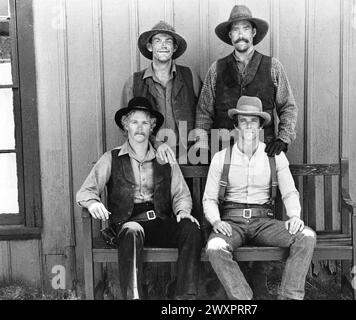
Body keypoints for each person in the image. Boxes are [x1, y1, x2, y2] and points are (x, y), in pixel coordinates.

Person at [76, 97, 202, 300]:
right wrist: (92, 203)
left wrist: (183, 212)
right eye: (134, 122)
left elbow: (181, 194)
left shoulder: (165, 158)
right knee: (132, 230)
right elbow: (85, 191)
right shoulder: (111, 158)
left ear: (152, 126)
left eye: (145, 122)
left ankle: (183, 297)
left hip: (160, 222)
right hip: (129, 225)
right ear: (126, 125)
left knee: (191, 229)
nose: (139, 128)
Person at [203, 96, 316, 300]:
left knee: (306, 236)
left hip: (263, 222)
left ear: (260, 125)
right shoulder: (221, 158)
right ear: (236, 125)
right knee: (214, 247)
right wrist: (216, 221)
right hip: (232, 222)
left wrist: (294, 216)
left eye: (253, 121)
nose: (248, 125)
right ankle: (244, 300)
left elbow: (289, 191)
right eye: (243, 120)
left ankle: (289, 296)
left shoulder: (274, 156)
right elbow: (209, 199)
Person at [195, 5, 297, 158]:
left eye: (246, 28)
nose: (240, 34)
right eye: (236, 29)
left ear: (253, 32)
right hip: (224, 152)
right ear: (230, 35)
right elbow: (204, 112)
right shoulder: (216, 69)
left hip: (263, 151)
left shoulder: (273, 66)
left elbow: (288, 107)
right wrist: (202, 146)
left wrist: (283, 139)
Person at [121, 21, 202, 164]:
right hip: (148, 156)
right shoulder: (134, 82)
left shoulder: (191, 76)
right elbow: (125, 124)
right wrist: (155, 144)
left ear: (174, 47)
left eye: (168, 41)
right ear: (150, 46)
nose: (163, 45)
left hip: (187, 157)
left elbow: (204, 114)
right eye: (158, 41)